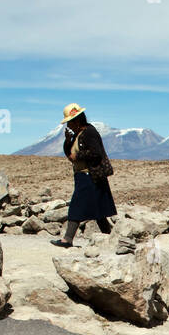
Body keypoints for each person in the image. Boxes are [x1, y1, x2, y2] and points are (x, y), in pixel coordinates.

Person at [52, 103, 117, 247]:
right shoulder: (78, 134)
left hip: (90, 176)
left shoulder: (89, 132)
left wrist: (78, 156)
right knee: (98, 210)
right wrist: (68, 141)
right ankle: (111, 238)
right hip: (83, 176)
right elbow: (70, 153)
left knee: (76, 206)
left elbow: (96, 152)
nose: (69, 125)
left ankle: (67, 239)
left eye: (70, 122)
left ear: (77, 120)